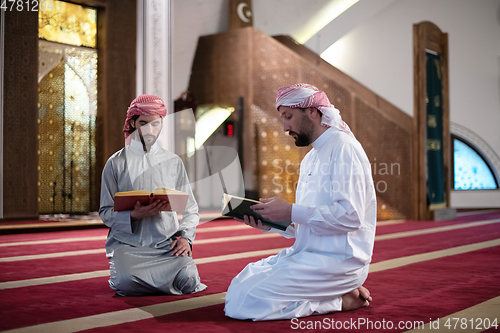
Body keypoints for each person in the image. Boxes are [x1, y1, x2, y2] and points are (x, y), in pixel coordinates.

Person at [224, 83, 376, 321]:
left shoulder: (344, 149)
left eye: (288, 116)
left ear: (312, 112)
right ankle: (334, 293)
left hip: (339, 261)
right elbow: (309, 221)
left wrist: (291, 210)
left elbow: (350, 216)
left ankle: (339, 299)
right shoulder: (311, 158)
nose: (285, 127)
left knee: (245, 302)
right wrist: (274, 222)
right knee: (241, 284)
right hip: (308, 254)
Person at [99, 94, 207, 296]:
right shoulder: (115, 164)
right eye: (144, 123)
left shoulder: (173, 162)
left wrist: (186, 239)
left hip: (167, 245)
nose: (150, 130)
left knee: (189, 281)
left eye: (155, 124)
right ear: (132, 123)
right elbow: (105, 212)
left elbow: (191, 210)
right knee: (126, 283)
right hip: (128, 246)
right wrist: (133, 215)